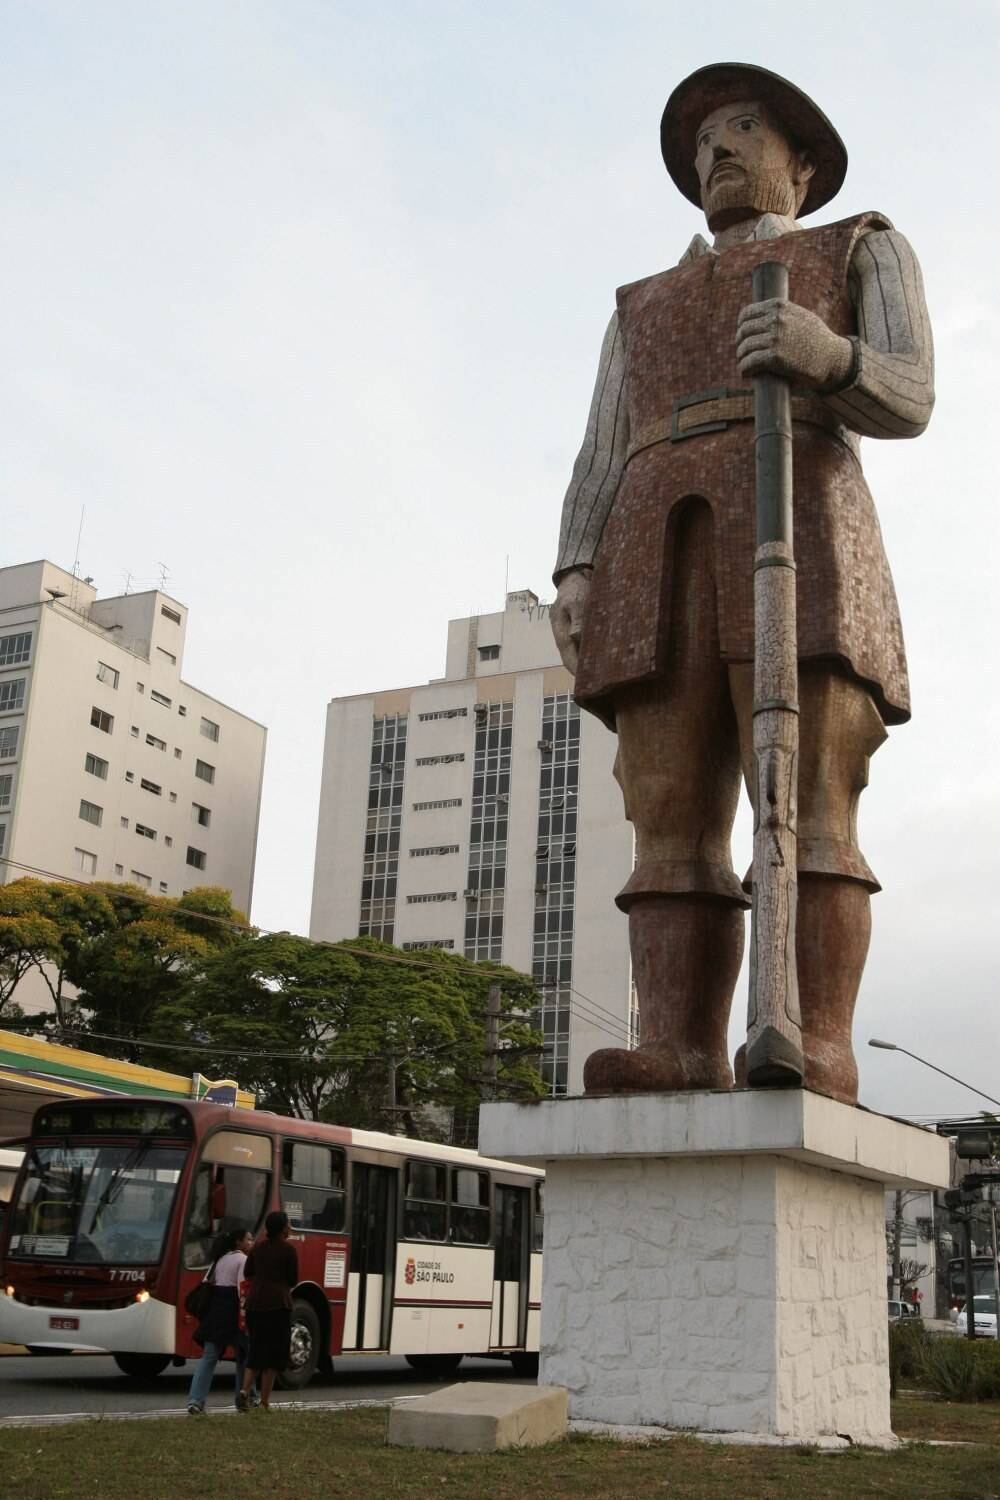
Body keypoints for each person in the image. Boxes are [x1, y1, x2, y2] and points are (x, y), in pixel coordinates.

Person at [550, 62, 934, 1106]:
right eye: (702, 139)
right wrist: (577, 565)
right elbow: (604, 447)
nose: (715, 150)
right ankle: (674, 1040)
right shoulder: (643, 305)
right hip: (657, 543)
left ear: (800, 165)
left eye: (742, 129)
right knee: (665, 805)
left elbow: (908, 395)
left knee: (811, 798)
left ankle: (816, 1038)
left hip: (801, 534)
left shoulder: (856, 247)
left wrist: (826, 355)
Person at [186, 1227, 255, 1415]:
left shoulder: (219, 1260)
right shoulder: (243, 1260)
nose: (252, 1242)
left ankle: (195, 1400)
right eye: (248, 1239)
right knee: (243, 1356)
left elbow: (208, 1281)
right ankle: (246, 1398)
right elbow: (243, 1288)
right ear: (238, 1242)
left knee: (209, 1357)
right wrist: (245, 1316)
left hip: (215, 1312)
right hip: (233, 1310)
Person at [239, 1210, 299, 1411]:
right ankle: (264, 1402)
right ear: (283, 1229)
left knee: (255, 1351)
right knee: (273, 1356)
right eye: (288, 1224)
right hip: (278, 1305)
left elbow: (248, 1272)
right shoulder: (289, 1251)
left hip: (255, 1304)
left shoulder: (258, 1248)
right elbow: (293, 1280)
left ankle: (244, 1391)